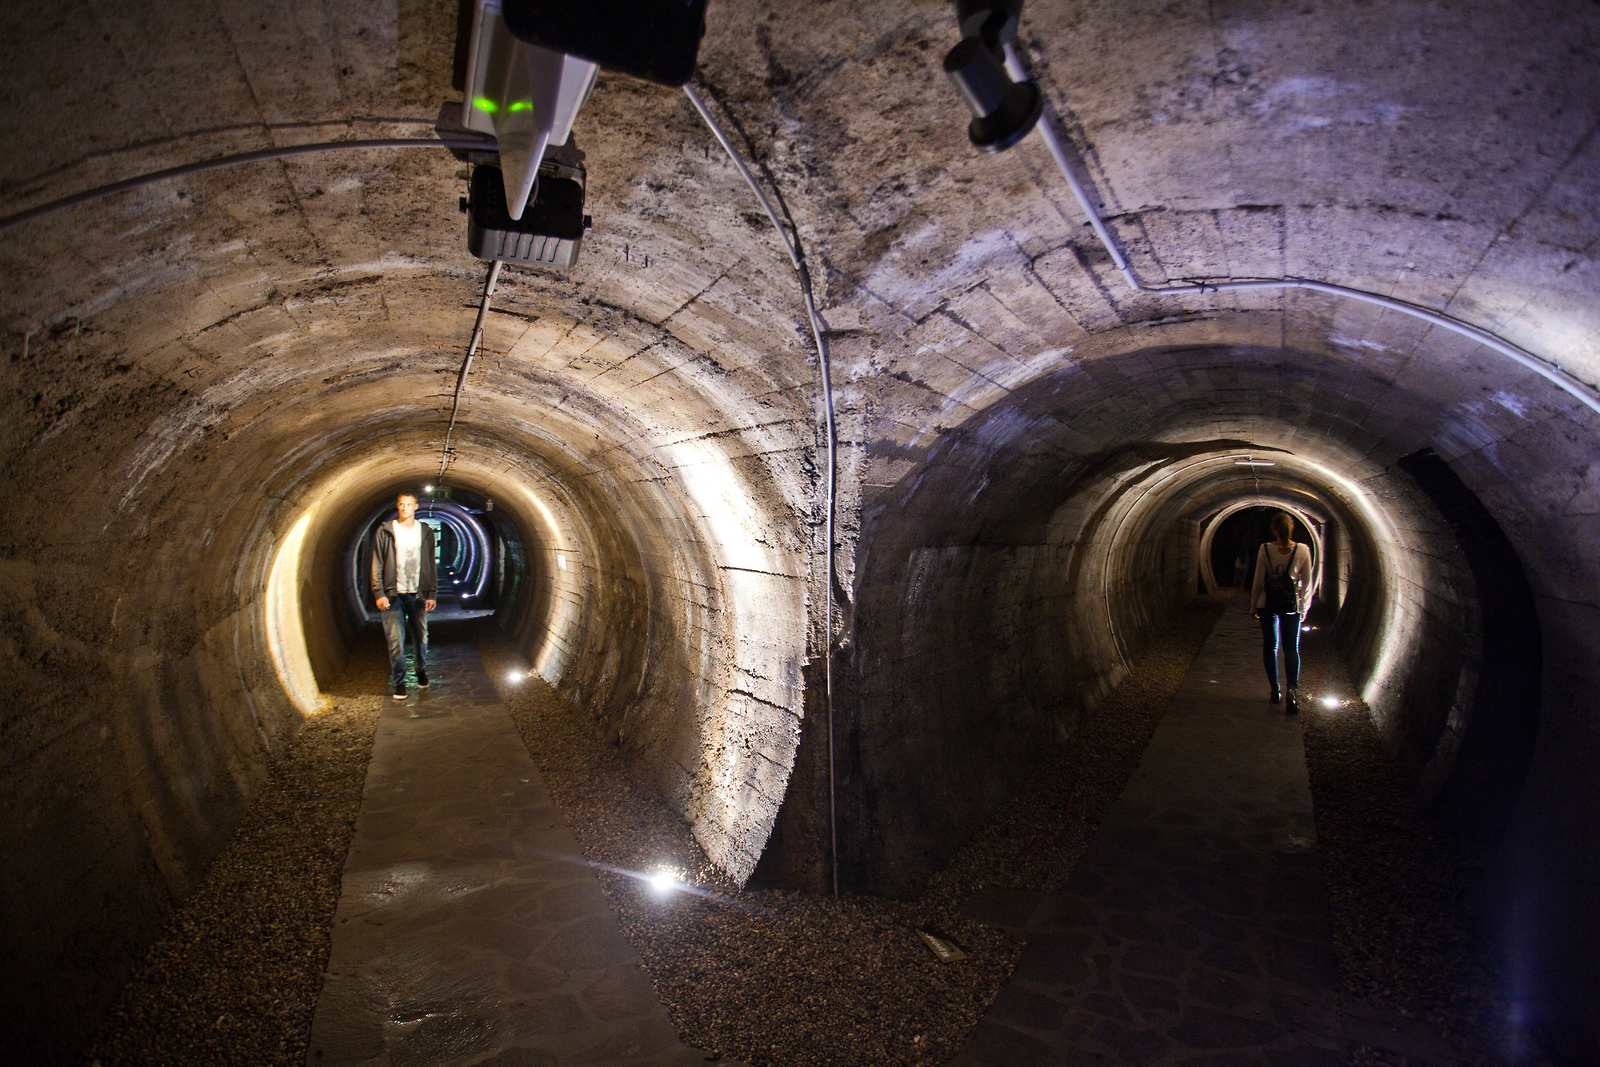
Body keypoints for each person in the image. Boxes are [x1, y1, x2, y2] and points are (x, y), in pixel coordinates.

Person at [371, 491, 437, 699]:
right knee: (396, 640)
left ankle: (420, 670)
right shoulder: (386, 530)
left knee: (421, 637)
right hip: (393, 595)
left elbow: (430, 563)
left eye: (409, 504)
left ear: (416, 506)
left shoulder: (425, 531)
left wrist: (432, 593)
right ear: (397, 506)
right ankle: (399, 682)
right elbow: (377, 563)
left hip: (417, 594)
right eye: (401, 504)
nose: (405, 508)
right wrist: (379, 592)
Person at [1251, 511, 1314, 713]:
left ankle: (1274, 689)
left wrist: (1254, 605)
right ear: (1292, 528)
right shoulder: (1303, 550)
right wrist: (1303, 607)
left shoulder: (1265, 549)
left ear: (1273, 529)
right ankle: (1292, 692)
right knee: (1290, 648)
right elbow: (1306, 583)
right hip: (1291, 605)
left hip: (1268, 603)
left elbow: (1259, 580)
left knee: (1270, 646)